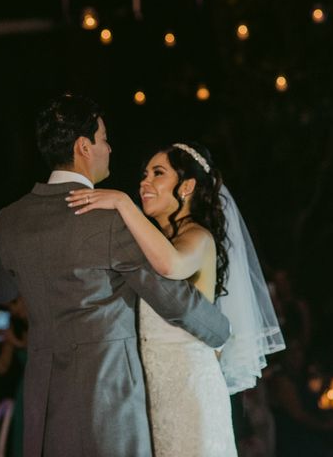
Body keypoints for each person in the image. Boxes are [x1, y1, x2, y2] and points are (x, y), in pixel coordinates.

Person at [0, 94, 231, 457]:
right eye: (103, 139)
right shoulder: (108, 218)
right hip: (107, 399)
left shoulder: (10, 220)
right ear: (84, 147)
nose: (109, 148)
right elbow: (173, 299)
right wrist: (222, 331)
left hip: (40, 397)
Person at [66, 141, 285, 456]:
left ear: (187, 186)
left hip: (190, 389)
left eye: (158, 173)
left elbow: (170, 264)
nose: (145, 182)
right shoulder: (155, 243)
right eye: (144, 174)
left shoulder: (198, 237)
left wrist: (123, 203)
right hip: (151, 392)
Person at [0, 296, 28, 457]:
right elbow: (2, 367)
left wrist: (17, 343)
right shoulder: (14, 329)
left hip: (47, 386)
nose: (13, 310)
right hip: (25, 390)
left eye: (15, 303)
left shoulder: (42, 323)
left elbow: (41, 355)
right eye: (9, 307)